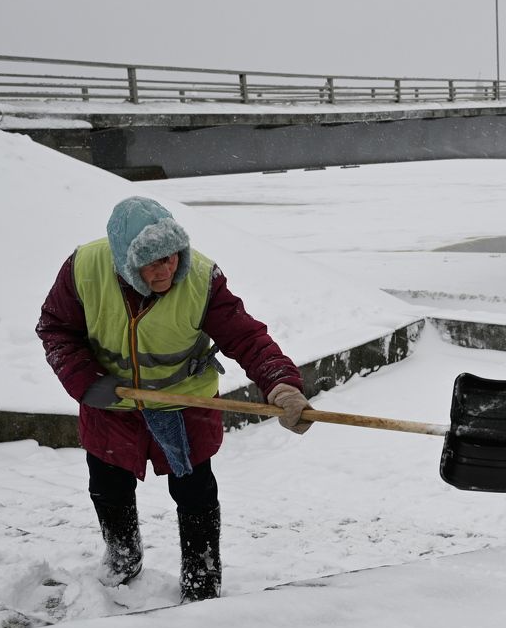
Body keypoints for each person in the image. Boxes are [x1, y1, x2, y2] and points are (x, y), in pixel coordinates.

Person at [36, 196, 314, 603]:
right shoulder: (84, 269)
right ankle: (122, 557)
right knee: (108, 487)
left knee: (195, 494)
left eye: (171, 257)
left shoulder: (201, 278)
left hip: (185, 406)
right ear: (124, 261)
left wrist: (281, 384)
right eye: (152, 261)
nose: (166, 268)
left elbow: (247, 337)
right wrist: (88, 382)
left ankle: (202, 580)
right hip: (110, 405)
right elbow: (56, 329)